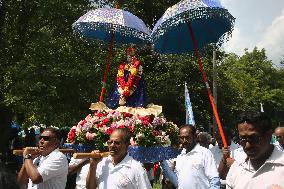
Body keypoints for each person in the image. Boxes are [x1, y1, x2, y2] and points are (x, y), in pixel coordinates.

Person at [226, 111, 284, 189]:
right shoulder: (237, 167)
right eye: (242, 139)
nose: (247, 145)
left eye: (253, 138)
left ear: (269, 135)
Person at [86, 128, 152, 189]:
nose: (112, 145)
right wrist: (93, 166)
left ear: (126, 145)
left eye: (117, 143)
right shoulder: (102, 163)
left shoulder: (136, 168)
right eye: (110, 142)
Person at [161, 124, 220, 189]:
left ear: (195, 137)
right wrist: (162, 162)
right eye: (181, 138)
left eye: (187, 137)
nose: (184, 140)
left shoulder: (205, 153)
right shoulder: (180, 155)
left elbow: (214, 179)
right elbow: (177, 181)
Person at [106, 45, 147, 109]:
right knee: (114, 103)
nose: (129, 57)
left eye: (132, 55)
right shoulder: (122, 65)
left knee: (136, 106)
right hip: (120, 87)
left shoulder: (138, 67)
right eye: (128, 54)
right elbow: (119, 78)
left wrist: (130, 90)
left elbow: (136, 79)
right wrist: (121, 89)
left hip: (135, 89)